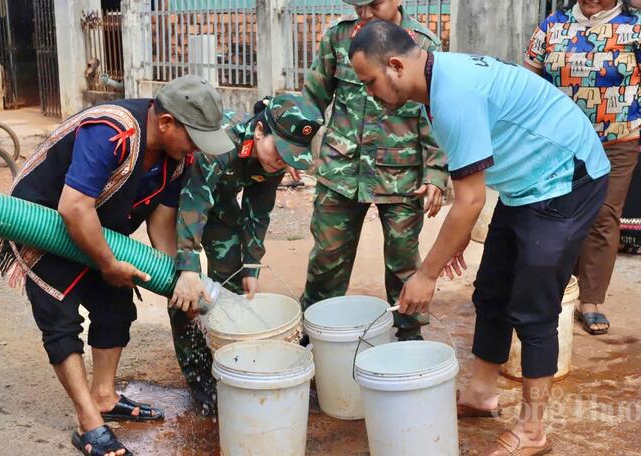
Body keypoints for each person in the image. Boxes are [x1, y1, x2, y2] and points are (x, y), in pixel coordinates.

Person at [349, 19, 615, 455]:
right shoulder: (435, 80)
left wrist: (426, 273)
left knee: (534, 308)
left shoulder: (453, 93)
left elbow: (469, 201)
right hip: (526, 185)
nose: (369, 93)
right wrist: (449, 244)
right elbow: (470, 191)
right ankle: (481, 394)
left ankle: (532, 431)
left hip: (568, 179)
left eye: (370, 81)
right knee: (491, 289)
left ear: (395, 65)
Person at [0, 75, 234, 456]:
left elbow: (162, 218)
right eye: (194, 137)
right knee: (61, 321)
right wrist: (108, 263)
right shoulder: (111, 130)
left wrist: (175, 276)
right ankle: (89, 421)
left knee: (116, 308)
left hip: (98, 229)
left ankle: (104, 395)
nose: (198, 149)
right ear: (167, 122)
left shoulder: (176, 157)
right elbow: (73, 207)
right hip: (44, 227)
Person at [524, 0, 641, 335]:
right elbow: (526, 81)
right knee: (556, 213)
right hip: (558, 142)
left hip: (616, 142)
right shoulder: (552, 26)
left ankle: (589, 301)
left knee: (604, 216)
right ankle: (557, 288)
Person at [300, 0, 448, 342]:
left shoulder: (421, 44)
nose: (363, 14)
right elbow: (313, 98)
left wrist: (436, 172)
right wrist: (291, 146)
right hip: (341, 171)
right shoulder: (339, 37)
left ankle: (409, 335)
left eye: (372, 5)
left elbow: (436, 113)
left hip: (401, 176)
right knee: (327, 259)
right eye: (357, 6)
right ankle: (315, 332)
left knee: (403, 262)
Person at [168, 93, 323, 414]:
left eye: (289, 157)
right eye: (279, 153)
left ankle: (231, 366)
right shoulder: (220, 144)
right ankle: (198, 376)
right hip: (175, 195)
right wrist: (187, 265)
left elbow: (258, 209)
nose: (281, 162)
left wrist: (251, 265)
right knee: (185, 291)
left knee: (231, 288)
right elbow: (195, 201)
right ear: (259, 132)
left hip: (221, 201)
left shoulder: (271, 158)